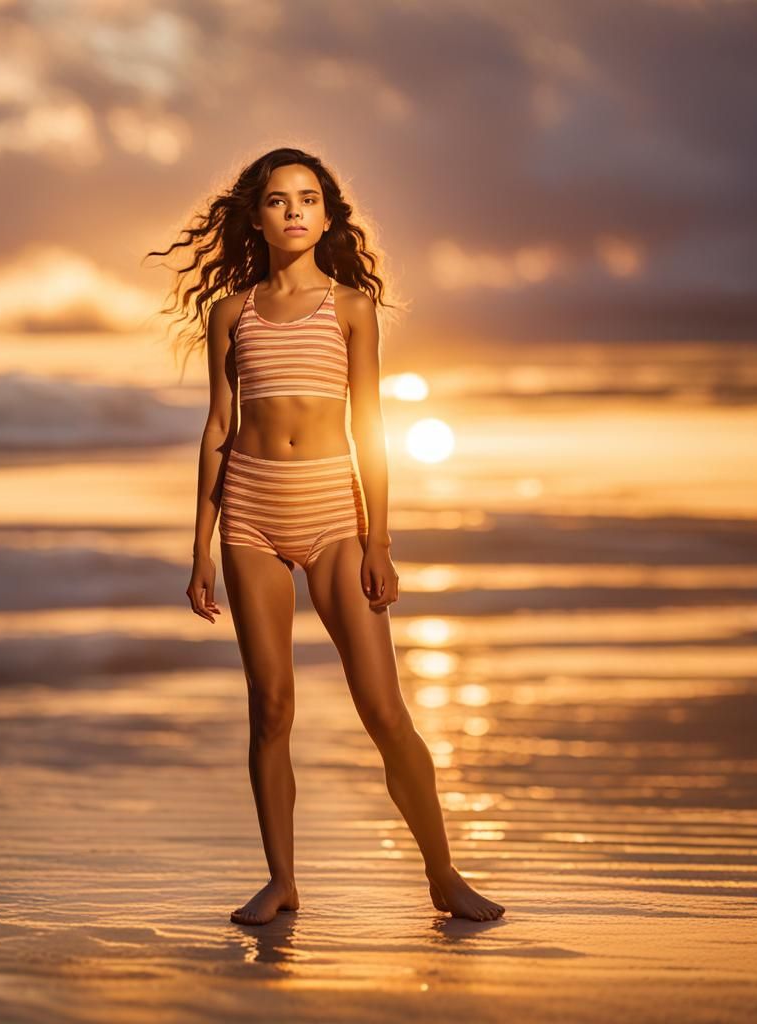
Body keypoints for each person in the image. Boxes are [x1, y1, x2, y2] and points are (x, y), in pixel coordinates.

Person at [148, 147, 505, 926]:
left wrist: (380, 539)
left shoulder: (349, 308)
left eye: (309, 198)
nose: (295, 211)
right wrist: (201, 544)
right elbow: (218, 427)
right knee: (271, 707)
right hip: (249, 514)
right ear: (256, 216)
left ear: (329, 213)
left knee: (384, 710)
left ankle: (443, 874)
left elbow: (370, 426)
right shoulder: (231, 312)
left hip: (335, 517)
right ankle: (282, 880)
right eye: (278, 200)